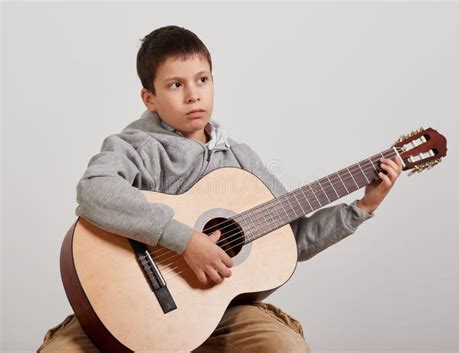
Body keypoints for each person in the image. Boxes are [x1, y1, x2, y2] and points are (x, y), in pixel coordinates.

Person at [37, 25, 403, 353]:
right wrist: (185, 241)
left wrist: (362, 208)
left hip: (218, 314)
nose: (193, 95)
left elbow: (291, 240)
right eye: (175, 85)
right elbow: (94, 189)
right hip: (124, 310)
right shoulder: (136, 146)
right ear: (149, 98)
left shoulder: (240, 160)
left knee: (286, 347)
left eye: (202, 80)